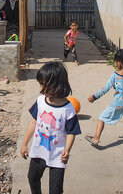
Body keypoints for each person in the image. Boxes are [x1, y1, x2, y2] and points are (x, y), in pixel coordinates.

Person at [20, 62, 81, 194]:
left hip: (57, 155)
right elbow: (33, 123)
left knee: (56, 189)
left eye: (46, 85)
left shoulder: (68, 109)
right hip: (38, 150)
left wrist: (67, 150)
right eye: (41, 84)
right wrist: (25, 144)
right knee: (33, 178)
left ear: (59, 84)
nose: (42, 89)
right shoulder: (40, 101)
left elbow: (72, 132)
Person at [85, 49, 123, 147]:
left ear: (119, 62)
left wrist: (94, 97)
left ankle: (96, 138)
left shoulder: (115, 76)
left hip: (117, 104)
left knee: (102, 118)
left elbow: (105, 89)